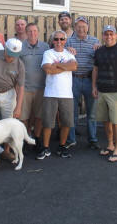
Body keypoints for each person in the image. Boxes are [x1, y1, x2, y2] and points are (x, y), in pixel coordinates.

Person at [93, 25, 117, 162]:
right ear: (103, 36)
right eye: (106, 34)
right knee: (105, 121)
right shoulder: (99, 51)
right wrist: (94, 87)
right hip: (102, 91)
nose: (108, 37)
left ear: (115, 35)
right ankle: (110, 145)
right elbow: (95, 70)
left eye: (111, 34)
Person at [37, 30, 78, 160]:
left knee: (66, 122)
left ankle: (62, 146)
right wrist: (65, 66)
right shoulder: (48, 53)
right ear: (52, 41)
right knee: (48, 122)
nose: (59, 42)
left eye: (61, 39)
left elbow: (74, 66)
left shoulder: (69, 53)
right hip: (51, 93)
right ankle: (45, 147)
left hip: (66, 94)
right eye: (56, 39)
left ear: (65, 41)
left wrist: (58, 65)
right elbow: (48, 69)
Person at [66, 16, 101, 149]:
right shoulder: (68, 41)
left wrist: (100, 48)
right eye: (79, 26)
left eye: (84, 26)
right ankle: (71, 139)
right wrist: (66, 50)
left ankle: (92, 139)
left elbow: (100, 58)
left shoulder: (94, 41)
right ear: (75, 28)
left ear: (87, 28)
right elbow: (58, 53)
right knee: (72, 112)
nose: (81, 29)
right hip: (73, 79)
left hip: (89, 79)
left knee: (91, 112)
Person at [19, 23, 49, 145]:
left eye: (35, 31)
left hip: (41, 88)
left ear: (38, 32)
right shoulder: (21, 47)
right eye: (30, 31)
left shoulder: (45, 47)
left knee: (39, 116)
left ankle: (36, 138)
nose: (32, 33)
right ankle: (27, 137)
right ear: (26, 33)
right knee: (23, 117)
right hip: (24, 88)